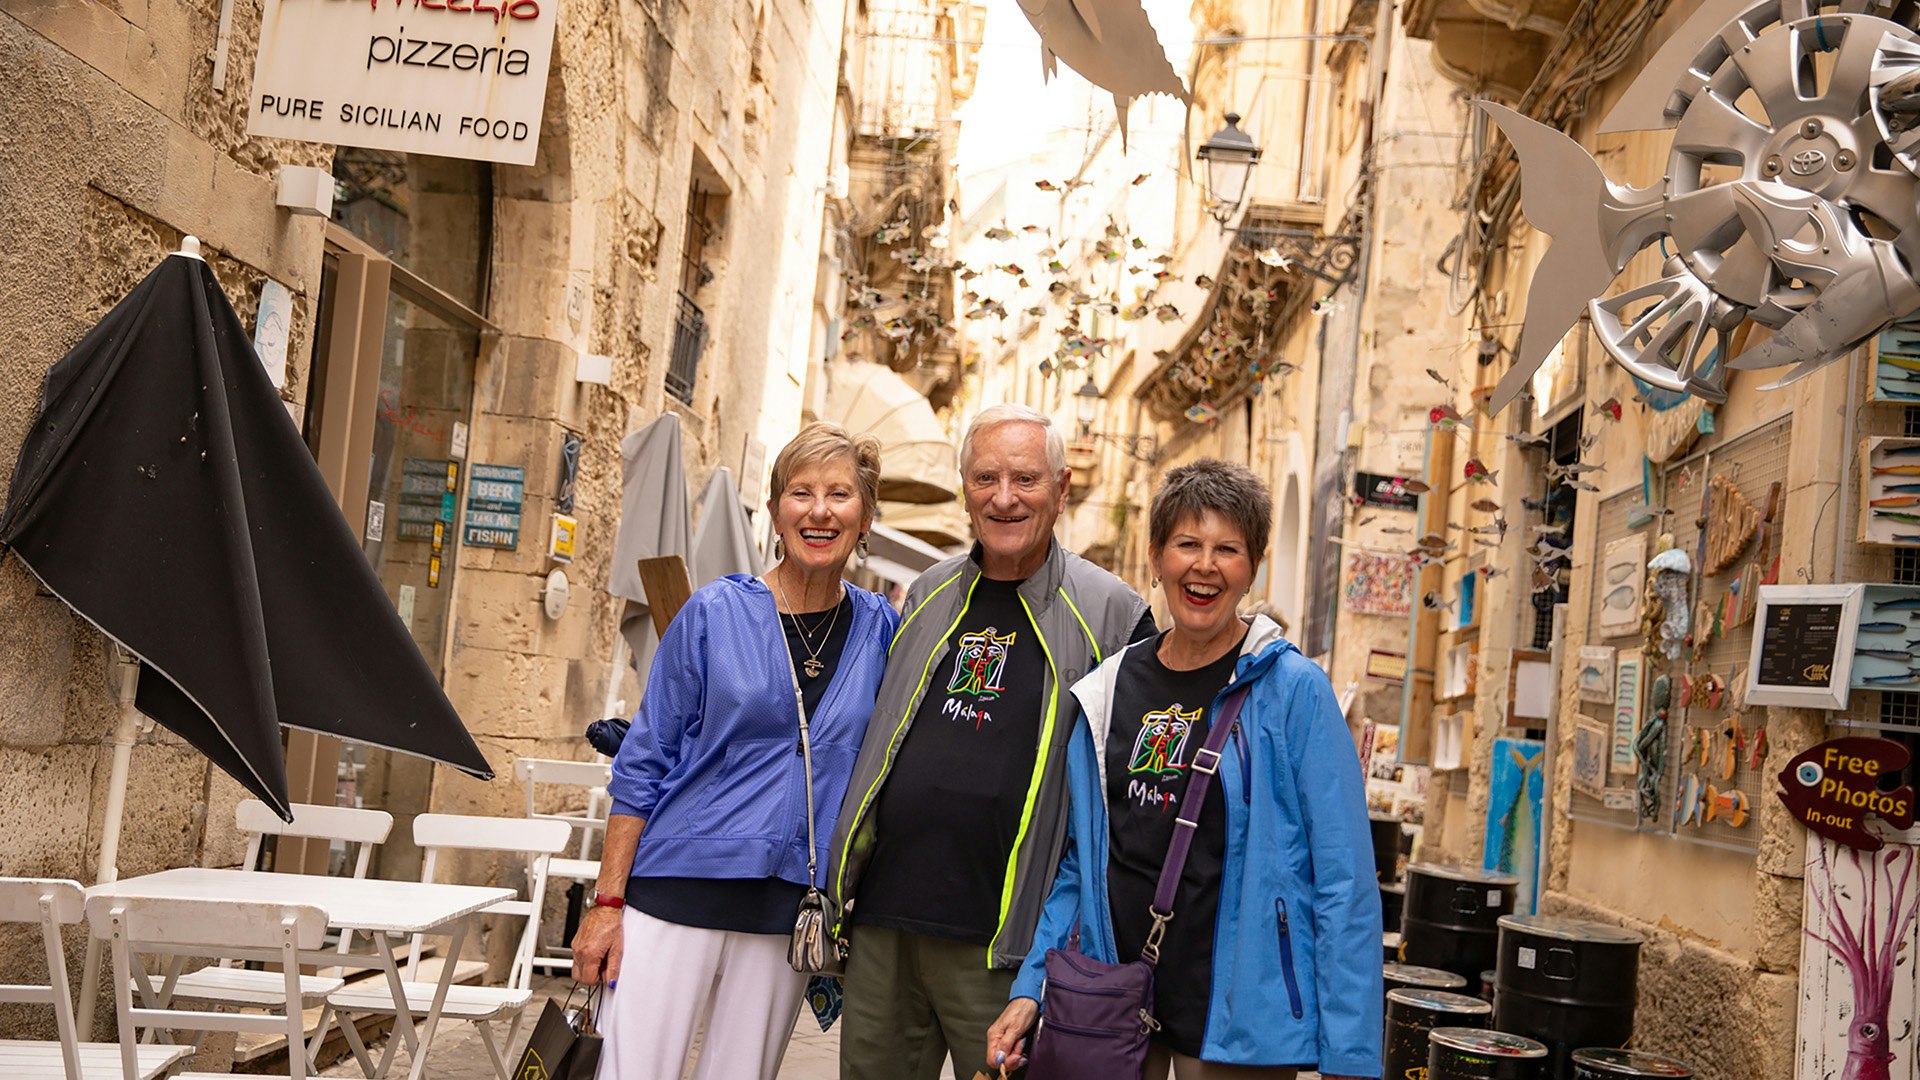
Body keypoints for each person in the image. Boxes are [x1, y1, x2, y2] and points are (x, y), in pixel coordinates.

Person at [985, 459, 1382, 1080]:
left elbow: (1344, 882)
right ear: (1156, 556)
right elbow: (1081, 862)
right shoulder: (1108, 689)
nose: (1205, 566)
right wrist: (1032, 983)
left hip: (1239, 1022)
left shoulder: (1295, 692)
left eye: (1228, 549)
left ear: (1253, 566)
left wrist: (1350, 1057)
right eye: (1187, 544)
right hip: (1112, 1007)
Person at [827, 404, 1155, 1080]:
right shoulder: (926, 592)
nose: (1004, 498)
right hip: (886, 924)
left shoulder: (1114, 613)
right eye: (986, 478)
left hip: (1005, 946)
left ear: (1061, 490)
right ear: (964, 489)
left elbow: (1127, 789)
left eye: (1026, 479)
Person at [573, 422, 900, 1080]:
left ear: (864, 517)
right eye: (801, 492)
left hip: (790, 910)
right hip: (674, 892)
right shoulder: (713, 613)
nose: (819, 511)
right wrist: (606, 907)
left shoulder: (884, 629)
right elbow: (642, 765)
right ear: (776, 511)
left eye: (839, 494)